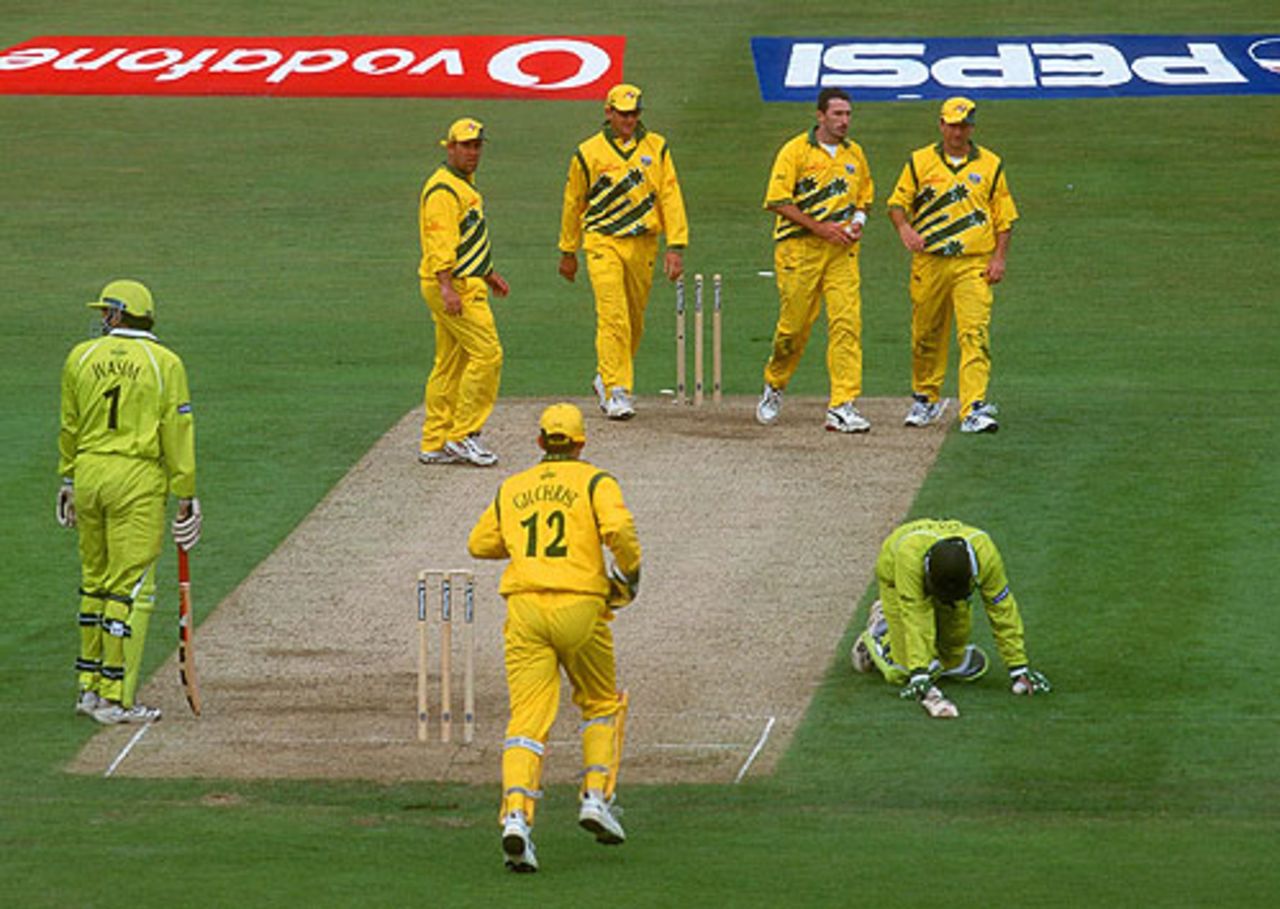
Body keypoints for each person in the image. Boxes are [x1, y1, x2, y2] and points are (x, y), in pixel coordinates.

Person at [467, 402, 641, 873]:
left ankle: (517, 820)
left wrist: (522, 545)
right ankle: (594, 797)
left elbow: (480, 543)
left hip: (524, 611)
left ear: (541, 442)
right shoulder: (595, 481)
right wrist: (629, 573)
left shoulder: (513, 486)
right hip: (581, 607)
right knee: (601, 701)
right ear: (581, 443)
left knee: (526, 720)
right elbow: (619, 529)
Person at [57, 279, 202, 725]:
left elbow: (70, 425)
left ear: (120, 315)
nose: (102, 319)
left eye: (106, 311)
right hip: (136, 478)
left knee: (95, 582)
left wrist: (67, 479)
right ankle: (117, 698)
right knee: (132, 587)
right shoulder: (164, 362)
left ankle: (89, 688)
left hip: (88, 473)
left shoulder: (80, 356)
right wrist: (186, 493)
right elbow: (178, 430)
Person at [886, 96, 1019, 434]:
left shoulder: (990, 164)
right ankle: (926, 399)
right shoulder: (919, 162)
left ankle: (973, 406)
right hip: (929, 262)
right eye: (953, 125)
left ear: (972, 127)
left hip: (973, 264)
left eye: (964, 126)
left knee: (974, 333)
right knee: (926, 333)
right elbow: (897, 203)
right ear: (941, 124)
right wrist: (904, 228)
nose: (958, 132)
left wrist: (999, 258)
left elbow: (1005, 217)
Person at [558, 83, 688, 421]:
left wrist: (676, 245)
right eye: (622, 114)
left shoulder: (656, 148)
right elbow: (574, 203)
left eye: (634, 114)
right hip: (602, 241)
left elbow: (670, 197)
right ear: (608, 112)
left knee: (633, 321)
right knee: (612, 315)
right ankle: (617, 389)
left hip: (644, 242)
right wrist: (568, 250)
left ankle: (605, 375)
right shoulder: (588, 153)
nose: (629, 120)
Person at [756, 87, 876, 433]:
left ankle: (843, 404)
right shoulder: (795, 151)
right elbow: (777, 201)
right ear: (820, 116)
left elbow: (865, 196)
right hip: (799, 252)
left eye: (848, 115)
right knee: (793, 329)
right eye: (837, 114)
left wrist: (857, 223)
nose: (844, 121)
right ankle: (775, 383)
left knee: (846, 325)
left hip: (842, 253)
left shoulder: (856, 155)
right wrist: (821, 229)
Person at [850, 518, 1051, 718]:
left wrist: (1019, 668)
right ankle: (879, 632)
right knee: (902, 671)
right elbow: (916, 617)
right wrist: (919, 673)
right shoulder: (909, 557)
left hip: (945, 578)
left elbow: (1002, 609)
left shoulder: (986, 556)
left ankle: (939, 662)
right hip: (895, 575)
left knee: (953, 652)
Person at [417, 117, 511, 467]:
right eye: (466, 146)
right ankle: (462, 435)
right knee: (488, 355)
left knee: (449, 364)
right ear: (450, 147)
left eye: (477, 146)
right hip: (452, 285)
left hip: (461, 281)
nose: (473, 153)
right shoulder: (443, 190)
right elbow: (440, 243)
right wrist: (446, 287)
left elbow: (466, 238)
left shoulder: (462, 184)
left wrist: (487, 274)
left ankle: (434, 440)